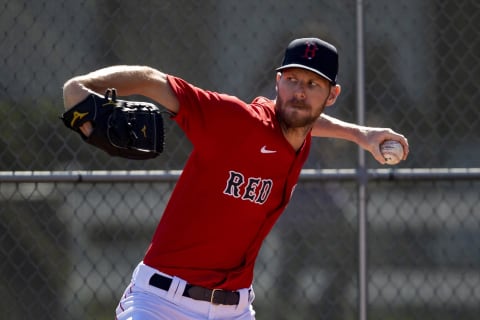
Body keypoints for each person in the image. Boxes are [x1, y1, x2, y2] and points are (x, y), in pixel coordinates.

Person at [63, 37, 409, 319]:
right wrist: (80, 87)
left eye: (312, 84)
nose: (299, 92)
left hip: (235, 310)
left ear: (331, 95)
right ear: (277, 82)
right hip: (162, 303)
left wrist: (362, 135)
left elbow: (307, 121)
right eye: (291, 80)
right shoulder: (235, 121)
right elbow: (151, 80)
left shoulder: (299, 136)